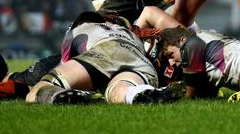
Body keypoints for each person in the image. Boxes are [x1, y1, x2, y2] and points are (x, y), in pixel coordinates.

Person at [26, 11, 185, 105]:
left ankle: (58, 95)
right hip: (141, 62)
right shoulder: (128, 32)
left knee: (39, 89)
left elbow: (65, 62)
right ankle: (138, 93)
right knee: (119, 90)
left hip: (105, 51)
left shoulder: (80, 29)